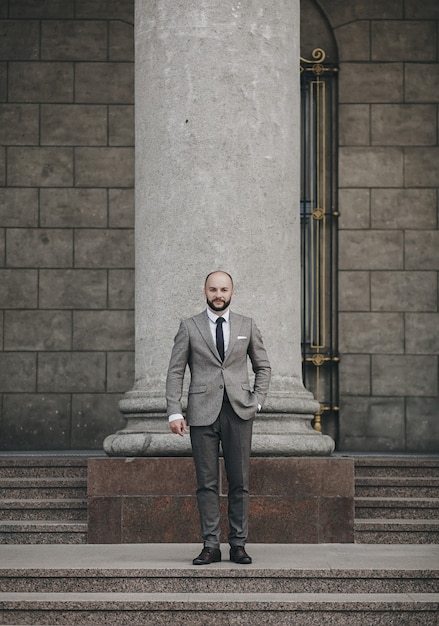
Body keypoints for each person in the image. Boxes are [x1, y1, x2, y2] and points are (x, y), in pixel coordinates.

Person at [166, 270, 271, 565]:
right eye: (213, 289)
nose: (218, 295)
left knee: (240, 482)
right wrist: (174, 410)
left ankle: (238, 544)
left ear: (232, 293)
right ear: (205, 292)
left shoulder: (247, 325)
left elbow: (263, 367)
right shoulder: (189, 327)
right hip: (201, 414)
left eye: (224, 289)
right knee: (207, 483)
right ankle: (210, 545)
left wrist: (257, 402)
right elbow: (176, 371)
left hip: (239, 412)